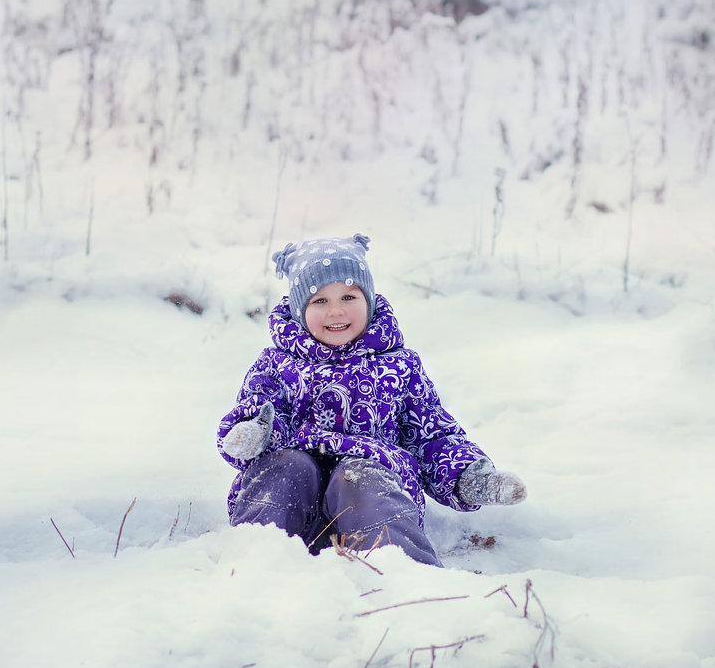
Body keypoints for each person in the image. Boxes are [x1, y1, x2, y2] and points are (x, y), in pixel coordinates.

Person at [217, 233, 526, 566]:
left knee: (361, 479)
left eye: (349, 296)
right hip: (292, 485)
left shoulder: (399, 365)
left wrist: (470, 478)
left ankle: (407, 575)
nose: (336, 311)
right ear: (298, 309)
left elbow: (431, 432)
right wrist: (252, 433)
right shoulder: (277, 364)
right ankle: (252, 564)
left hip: (369, 482)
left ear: (369, 300)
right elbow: (260, 412)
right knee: (284, 469)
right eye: (319, 301)